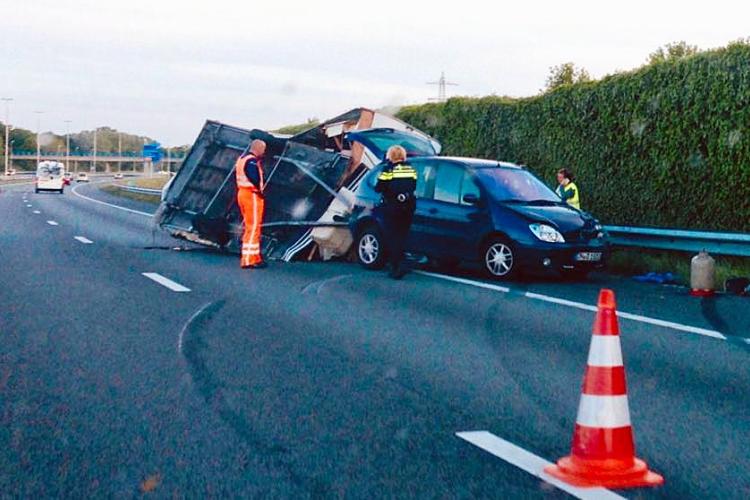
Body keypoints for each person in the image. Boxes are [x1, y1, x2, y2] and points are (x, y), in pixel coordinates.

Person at [374, 145, 418, 279]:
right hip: (408, 206)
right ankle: (403, 261)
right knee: (402, 235)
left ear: (391, 156)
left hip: (392, 206)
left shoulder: (389, 169)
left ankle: (397, 266)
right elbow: (413, 185)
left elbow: (379, 187)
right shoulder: (411, 169)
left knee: (392, 236)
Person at [235, 139, 267, 269]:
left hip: (243, 193)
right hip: (251, 195)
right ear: (258, 148)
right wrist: (260, 192)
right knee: (253, 228)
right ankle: (249, 259)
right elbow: (254, 178)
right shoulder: (252, 162)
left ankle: (254, 257)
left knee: (251, 227)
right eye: (263, 149)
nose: (264, 152)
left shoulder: (242, 159)